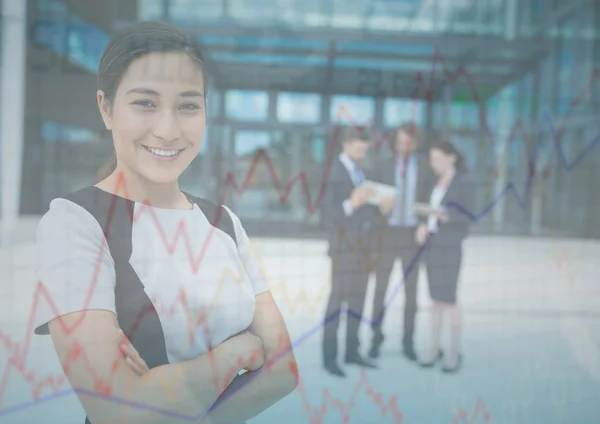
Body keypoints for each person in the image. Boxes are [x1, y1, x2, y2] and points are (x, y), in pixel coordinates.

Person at [32, 21, 297, 424]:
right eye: (146, 103)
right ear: (106, 108)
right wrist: (236, 353)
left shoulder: (223, 222)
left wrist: (166, 397)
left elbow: (282, 373)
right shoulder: (74, 223)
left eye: (188, 105)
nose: (168, 130)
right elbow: (116, 410)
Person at [320, 125, 378, 377]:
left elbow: (365, 209)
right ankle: (330, 358)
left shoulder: (361, 172)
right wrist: (350, 204)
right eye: (358, 148)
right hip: (344, 248)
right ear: (346, 145)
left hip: (364, 248)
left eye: (365, 149)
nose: (362, 152)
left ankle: (352, 353)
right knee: (337, 302)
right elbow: (326, 214)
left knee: (358, 301)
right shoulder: (333, 172)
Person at [369, 122, 430, 361]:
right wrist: (380, 209)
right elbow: (372, 201)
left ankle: (408, 341)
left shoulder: (424, 166)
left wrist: (424, 222)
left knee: (412, 291)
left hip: (412, 234)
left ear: (415, 144)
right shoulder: (381, 165)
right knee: (380, 288)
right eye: (400, 141)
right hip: (387, 233)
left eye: (408, 142)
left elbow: (429, 199)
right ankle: (375, 339)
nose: (403, 146)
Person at [414, 139, 474, 373]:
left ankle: (454, 352)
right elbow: (424, 211)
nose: (434, 164)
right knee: (435, 300)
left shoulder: (464, 183)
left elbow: (469, 216)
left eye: (438, 158)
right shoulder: (432, 181)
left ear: (452, 157)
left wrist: (443, 215)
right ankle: (433, 348)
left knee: (449, 300)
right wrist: (421, 224)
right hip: (432, 246)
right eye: (432, 159)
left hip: (451, 245)